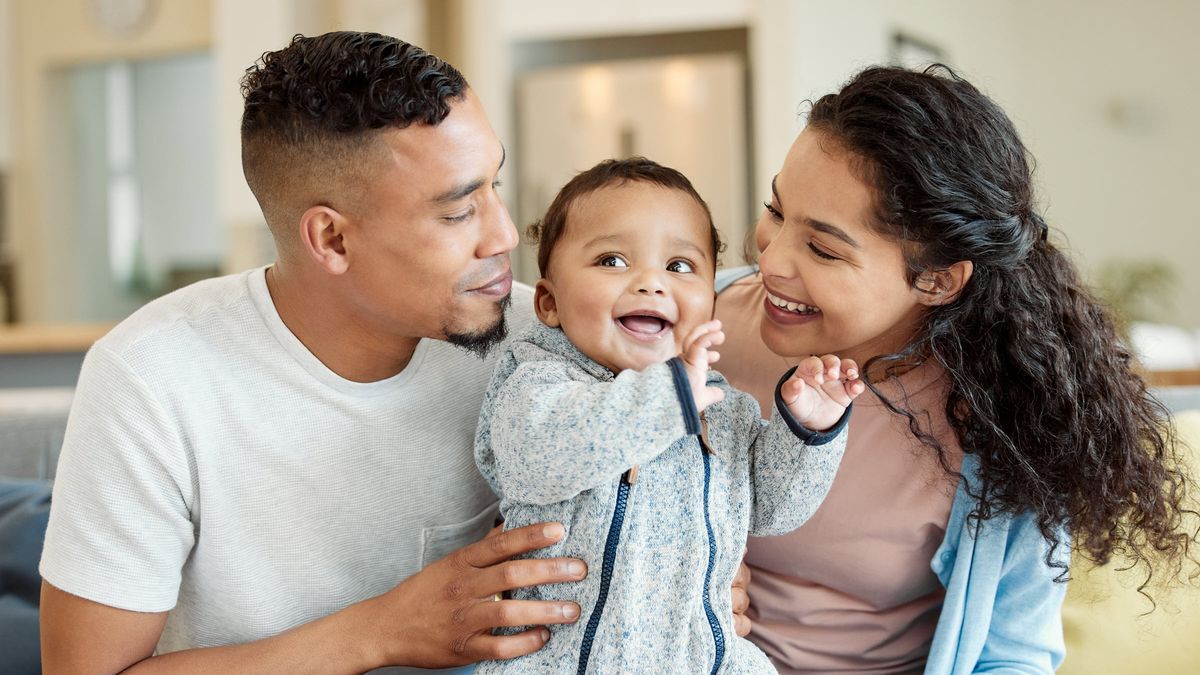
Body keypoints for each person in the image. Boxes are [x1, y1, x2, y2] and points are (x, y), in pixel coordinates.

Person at [38, 32, 597, 674]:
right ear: (330, 238)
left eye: (494, 186)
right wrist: (381, 631)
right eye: (457, 212)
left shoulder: (541, 340)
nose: (503, 234)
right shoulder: (150, 378)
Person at [713, 65, 1194, 673]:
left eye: (824, 249)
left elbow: (1015, 656)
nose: (771, 259)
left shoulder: (1004, 421)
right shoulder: (681, 328)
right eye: (776, 212)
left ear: (936, 280)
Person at [473, 157, 863, 674]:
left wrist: (807, 431)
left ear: (711, 305)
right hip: (564, 660)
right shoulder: (539, 385)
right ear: (549, 302)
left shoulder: (720, 408)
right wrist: (667, 398)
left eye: (679, 267)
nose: (651, 283)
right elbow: (543, 458)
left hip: (698, 657)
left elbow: (771, 509)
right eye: (612, 260)